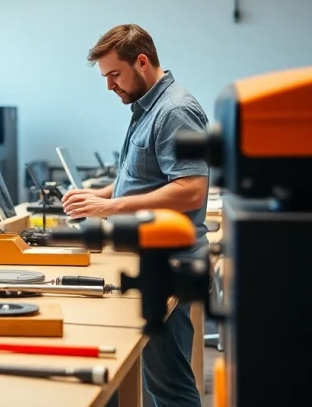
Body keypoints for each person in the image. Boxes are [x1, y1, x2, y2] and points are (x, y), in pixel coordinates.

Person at [61, 24, 208, 407]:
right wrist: (102, 194)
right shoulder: (145, 107)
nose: (110, 85)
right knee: (144, 377)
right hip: (146, 255)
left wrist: (109, 208)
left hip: (169, 260)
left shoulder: (175, 110)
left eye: (114, 74)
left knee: (169, 387)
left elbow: (191, 189)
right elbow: (141, 177)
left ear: (141, 62)